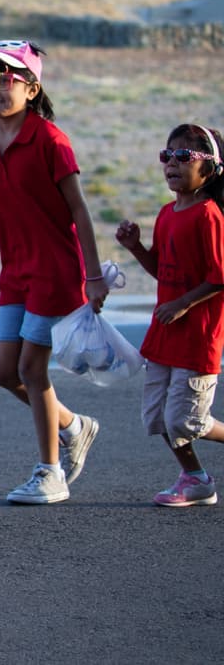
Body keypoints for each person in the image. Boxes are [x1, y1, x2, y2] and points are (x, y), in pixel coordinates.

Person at [0, 39, 108, 506]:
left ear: (32, 86)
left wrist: (94, 275)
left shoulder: (50, 140)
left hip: (56, 272)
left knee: (30, 367)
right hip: (15, 275)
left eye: (5, 78)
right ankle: (72, 425)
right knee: (4, 372)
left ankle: (51, 472)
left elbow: (79, 210)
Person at [115, 124, 224, 507]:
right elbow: (163, 270)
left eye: (184, 157)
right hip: (164, 336)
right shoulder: (167, 213)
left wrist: (182, 304)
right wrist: (135, 247)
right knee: (158, 417)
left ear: (209, 170)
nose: (171, 164)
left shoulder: (209, 215)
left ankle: (196, 477)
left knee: (186, 421)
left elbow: (220, 277)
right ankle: (195, 478)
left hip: (198, 336)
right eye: (167, 156)